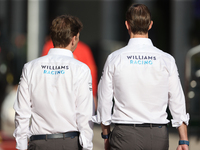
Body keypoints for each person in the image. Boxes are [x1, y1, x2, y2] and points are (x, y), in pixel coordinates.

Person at [92, 4, 189, 150]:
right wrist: (184, 139)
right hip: (156, 135)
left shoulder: (115, 58)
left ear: (127, 25)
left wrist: (106, 136)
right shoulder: (166, 59)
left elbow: (104, 100)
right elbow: (177, 100)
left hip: (124, 135)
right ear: (150, 25)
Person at [13, 15, 94, 150]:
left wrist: (21, 146)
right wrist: (87, 146)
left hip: (39, 142)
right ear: (73, 39)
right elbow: (85, 115)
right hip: (69, 143)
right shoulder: (81, 69)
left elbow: (21, 112)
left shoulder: (30, 67)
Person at [42, 37, 98, 110]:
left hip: (53, 96)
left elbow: (42, 72)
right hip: (72, 98)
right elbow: (91, 74)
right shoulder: (84, 49)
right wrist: (92, 95)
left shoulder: (49, 46)